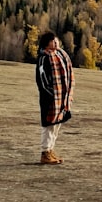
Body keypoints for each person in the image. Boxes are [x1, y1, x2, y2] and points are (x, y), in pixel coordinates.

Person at [36, 31, 73, 165]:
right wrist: (51, 94)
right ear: (47, 43)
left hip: (61, 98)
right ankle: (45, 152)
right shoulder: (44, 58)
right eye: (52, 41)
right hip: (50, 99)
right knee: (49, 125)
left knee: (57, 125)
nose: (56, 43)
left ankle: (50, 150)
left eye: (56, 40)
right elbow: (42, 79)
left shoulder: (60, 54)